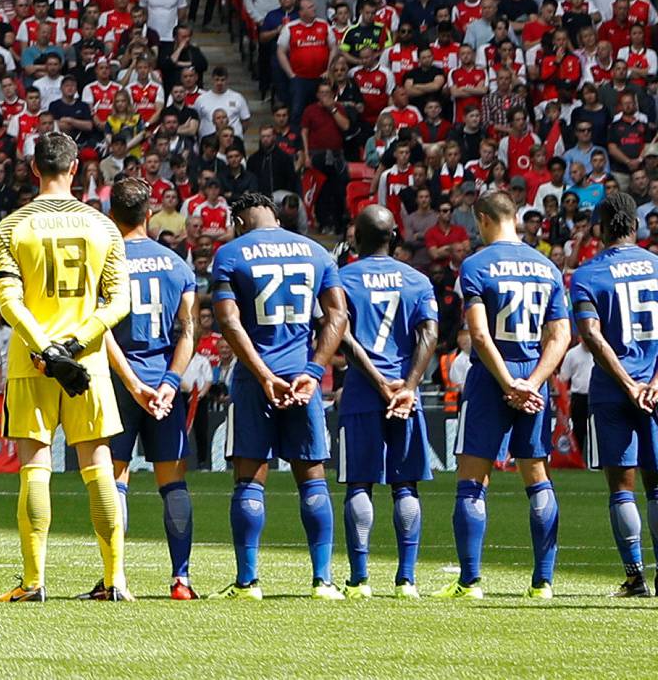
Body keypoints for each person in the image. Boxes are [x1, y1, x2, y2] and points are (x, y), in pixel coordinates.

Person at [0, 128, 131, 601]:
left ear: (33, 169)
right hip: (86, 363)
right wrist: (74, 342)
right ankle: (115, 581)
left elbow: (8, 302)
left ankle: (34, 583)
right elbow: (118, 304)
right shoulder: (102, 226)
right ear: (76, 169)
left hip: (33, 363)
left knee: (35, 466)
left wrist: (47, 347)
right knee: (99, 464)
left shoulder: (12, 226)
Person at [209, 192, 347, 599]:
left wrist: (265, 375)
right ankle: (322, 581)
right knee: (313, 480)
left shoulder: (230, 253)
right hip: (303, 379)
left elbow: (229, 322)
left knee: (249, 482)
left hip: (256, 380)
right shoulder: (316, 252)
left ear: (238, 221)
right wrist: (312, 372)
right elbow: (337, 316)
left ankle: (248, 582)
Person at [449, 186, 571, 598]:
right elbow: (561, 335)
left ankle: (470, 582)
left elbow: (480, 336)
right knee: (537, 478)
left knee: (472, 480)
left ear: (482, 219)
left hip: (492, 380)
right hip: (533, 376)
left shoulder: (476, 265)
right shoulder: (547, 267)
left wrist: (508, 384)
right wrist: (532, 383)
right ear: (515, 217)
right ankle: (544, 583)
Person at [336, 204, 437, 599]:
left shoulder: (342, 278)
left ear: (356, 239)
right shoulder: (418, 281)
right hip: (405, 394)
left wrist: (378, 382)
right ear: (395, 237)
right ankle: (406, 580)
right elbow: (429, 334)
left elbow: (340, 334)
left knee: (359, 483)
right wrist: (408, 385)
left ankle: (360, 581)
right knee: (405, 485)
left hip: (362, 391)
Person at [104, 176, 199, 598]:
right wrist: (169, 382)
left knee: (115, 481)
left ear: (112, 216)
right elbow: (189, 330)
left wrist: (132, 383)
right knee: (173, 484)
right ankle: (181, 579)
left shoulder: (105, 262)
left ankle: (114, 579)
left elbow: (99, 329)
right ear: (149, 214)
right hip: (164, 385)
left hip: (120, 383)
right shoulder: (177, 264)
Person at [570, 188, 658, 597]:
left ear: (601, 229)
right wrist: (652, 384)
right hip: (657, 392)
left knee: (621, 487)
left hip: (611, 391)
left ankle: (636, 577)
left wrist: (626, 383)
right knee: (656, 487)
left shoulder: (588, 274)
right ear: (635, 225)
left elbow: (590, 334)